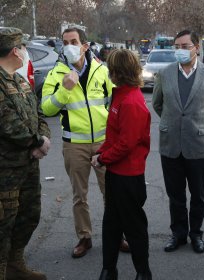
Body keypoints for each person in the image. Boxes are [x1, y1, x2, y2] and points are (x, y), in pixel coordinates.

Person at [41, 27, 114, 258]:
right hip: (74, 145)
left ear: (85, 45)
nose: (69, 46)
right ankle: (84, 237)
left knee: (111, 193)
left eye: (73, 41)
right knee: (79, 196)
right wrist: (65, 89)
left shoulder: (102, 70)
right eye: (65, 42)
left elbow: (115, 102)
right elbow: (46, 108)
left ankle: (117, 235)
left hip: (103, 143)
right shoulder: (56, 74)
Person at [152, 30, 204, 254]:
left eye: (185, 46)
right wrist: (173, 123)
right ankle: (178, 234)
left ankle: (196, 234)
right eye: (177, 46)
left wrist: (199, 126)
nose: (180, 50)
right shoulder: (164, 74)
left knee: (198, 195)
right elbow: (157, 104)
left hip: (199, 146)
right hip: (170, 144)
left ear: (197, 48)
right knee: (175, 195)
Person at [92, 49, 151, 280]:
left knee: (134, 228)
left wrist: (102, 158)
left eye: (111, 69)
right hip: (116, 173)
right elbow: (115, 136)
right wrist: (102, 151)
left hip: (129, 176)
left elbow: (126, 144)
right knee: (111, 224)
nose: (108, 72)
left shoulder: (132, 101)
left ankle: (143, 272)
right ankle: (109, 269)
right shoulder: (121, 96)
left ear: (118, 72)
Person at [0, 27, 51, 280]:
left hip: (29, 166)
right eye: (22, 47)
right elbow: (7, 123)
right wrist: (36, 142)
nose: (24, 52)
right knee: (3, 224)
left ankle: (15, 265)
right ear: (14, 51)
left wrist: (43, 136)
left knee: (28, 215)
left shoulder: (20, 80)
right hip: (6, 170)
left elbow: (38, 112)